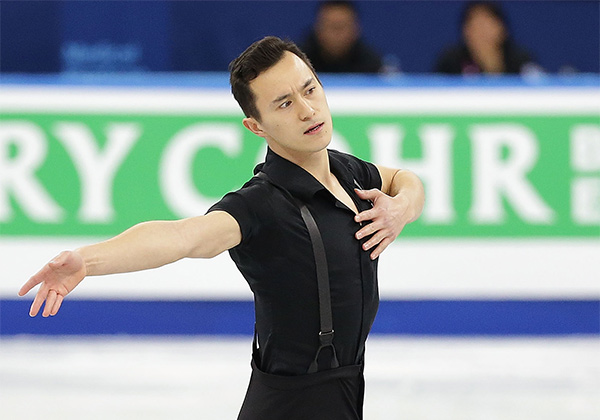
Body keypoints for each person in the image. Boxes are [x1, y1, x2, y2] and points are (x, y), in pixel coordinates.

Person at [18, 36, 424, 419]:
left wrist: (401, 207)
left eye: (310, 90)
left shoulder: (347, 172)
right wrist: (87, 261)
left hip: (345, 391)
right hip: (291, 404)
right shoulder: (262, 204)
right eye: (284, 104)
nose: (307, 110)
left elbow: (406, 179)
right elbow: (182, 237)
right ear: (257, 126)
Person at [435, 1, 538, 75]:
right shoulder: (451, 62)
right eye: (476, 26)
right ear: (465, 31)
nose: (482, 33)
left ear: (502, 29)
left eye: (486, 26)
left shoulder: (520, 60)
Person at [300, 0, 384, 73]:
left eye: (341, 27)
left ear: (355, 29)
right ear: (318, 28)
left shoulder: (371, 65)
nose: (336, 34)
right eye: (331, 26)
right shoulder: (299, 61)